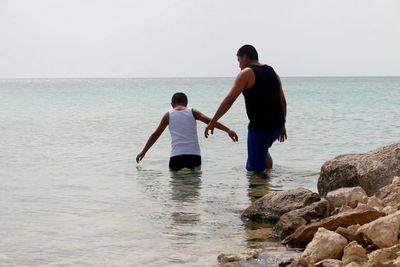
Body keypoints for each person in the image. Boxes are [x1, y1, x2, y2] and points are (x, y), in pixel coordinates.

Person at [204, 44, 287, 172]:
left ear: (245, 57)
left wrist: (212, 122)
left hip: (260, 129)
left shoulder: (246, 73)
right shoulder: (272, 71)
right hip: (276, 127)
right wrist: (282, 125)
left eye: (239, 60)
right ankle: (269, 184)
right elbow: (283, 101)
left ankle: (257, 191)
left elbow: (229, 99)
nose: (239, 65)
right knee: (263, 152)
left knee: (253, 170)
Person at [136, 92, 238, 171]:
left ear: (172, 104)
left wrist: (143, 152)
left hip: (176, 157)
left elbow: (155, 134)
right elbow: (210, 121)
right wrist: (228, 130)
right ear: (187, 103)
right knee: (193, 189)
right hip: (194, 156)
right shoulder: (192, 112)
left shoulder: (168, 115)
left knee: (176, 189)